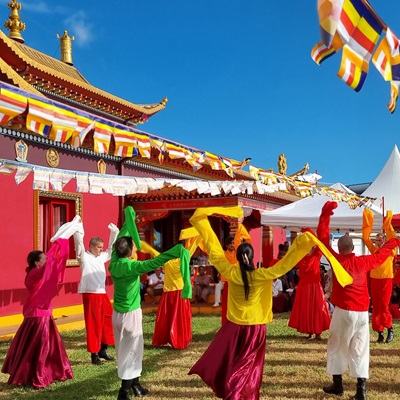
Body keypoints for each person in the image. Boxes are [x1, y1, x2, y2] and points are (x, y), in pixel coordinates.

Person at [188, 205, 350, 400]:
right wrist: (303, 241)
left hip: (234, 326)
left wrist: (202, 223)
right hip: (255, 328)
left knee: (234, 361)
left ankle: (236, 389)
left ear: (238, 257)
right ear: (252, 257)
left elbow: (214, 250)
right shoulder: (263, 275)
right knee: (249, 364)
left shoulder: (230, 271)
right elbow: (285, 264)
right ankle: (237, 391)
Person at [317, 201, 400, 400]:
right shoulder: (363, 261)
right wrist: (393, 241)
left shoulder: (336, 260)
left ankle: (338, 386)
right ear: (353, 247)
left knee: (337, 346)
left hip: (343, 311)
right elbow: (381, 255)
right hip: (363, 313)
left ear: (339, 247)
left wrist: (325, 214)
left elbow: (322, 239)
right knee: (360, 349)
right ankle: (360, 391)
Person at [109, 206, 189, 400]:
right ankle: (123, 392)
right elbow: (154, 263)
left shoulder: (113, 262)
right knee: (131, 351)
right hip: (130, 314)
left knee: (130, 350)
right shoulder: (132, 266)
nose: (136, 247)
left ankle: (136, 385)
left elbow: (117, 243)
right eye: (134, 247)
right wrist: (176, 251)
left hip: (118, 315)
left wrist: (129, 222)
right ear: (129, 252)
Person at [2, 217, 82, 389]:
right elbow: (52, 263)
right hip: (38, 315)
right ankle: (37, 375)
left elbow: (51, 265)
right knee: (41, 346)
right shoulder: (35, 273)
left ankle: (47, 371)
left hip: (40, 313)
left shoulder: (35, 273)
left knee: (43, 346)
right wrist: (60, 241)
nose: (46, 261)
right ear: (37, 262)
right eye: (43, 259)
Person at [73, 223, 119, 365]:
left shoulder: (101, 257)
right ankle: (94, 354)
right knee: (94, 324)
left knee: (107, 320)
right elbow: (79, 247)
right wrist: (78, 232)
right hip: (90, 294)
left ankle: (103, 350)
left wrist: (114, 232)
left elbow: (111, 250)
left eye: (101, 247)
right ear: (92, 246)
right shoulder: (84, 257)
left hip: (102, 293)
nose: (101, 250)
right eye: (99, 247)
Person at [362, 209, 396, 343]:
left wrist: (387, 222)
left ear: (384, 240)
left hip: (386, 280)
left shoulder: (390, 249)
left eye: (380, 240)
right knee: (376, 306)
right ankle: (380, 332)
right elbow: (365, 238)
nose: (377, 242)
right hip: (375, 280)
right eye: (376, 240)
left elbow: (392, 237)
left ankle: (390, 328)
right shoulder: (374, 250)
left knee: (384, 306)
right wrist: (367, 220)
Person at [288, 244, 331, 341]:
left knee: (317, 307)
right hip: (304, 286)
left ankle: (318, 332)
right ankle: (309, 331)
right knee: (306, 308)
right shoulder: (300, 256)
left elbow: (320, 244)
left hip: (315, 286)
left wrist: (312, 234)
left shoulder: (316, 255)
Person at [216, 224, 252, 323]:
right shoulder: (223, 254)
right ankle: (227, 321)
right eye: (230, 243)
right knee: (228, 303)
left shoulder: (238, 253)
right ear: (226, 245)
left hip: (238, 279)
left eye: (233, 243)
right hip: (227, 280)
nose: (232, 245)